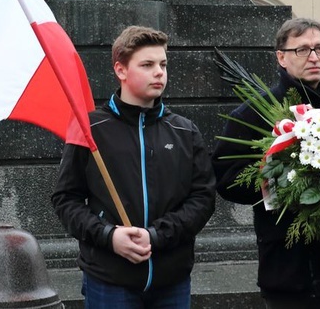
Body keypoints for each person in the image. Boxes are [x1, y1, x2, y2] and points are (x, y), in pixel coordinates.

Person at [213, 18, 320, 309]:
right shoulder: (254, 113)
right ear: (281, 57)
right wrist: (284, 177)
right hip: (291, 269)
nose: (314, 57)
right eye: (302, 50)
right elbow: (227, 178)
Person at [52, 26, 216, 307]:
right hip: (110, 280)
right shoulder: (90, 129)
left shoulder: (184, 131)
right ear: (121, 70)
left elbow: (202, 198)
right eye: (147, 65)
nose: (159, 72)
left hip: (171, 281)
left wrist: (157, 235)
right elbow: (66, 199)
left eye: (163, 64)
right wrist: (108, 235)